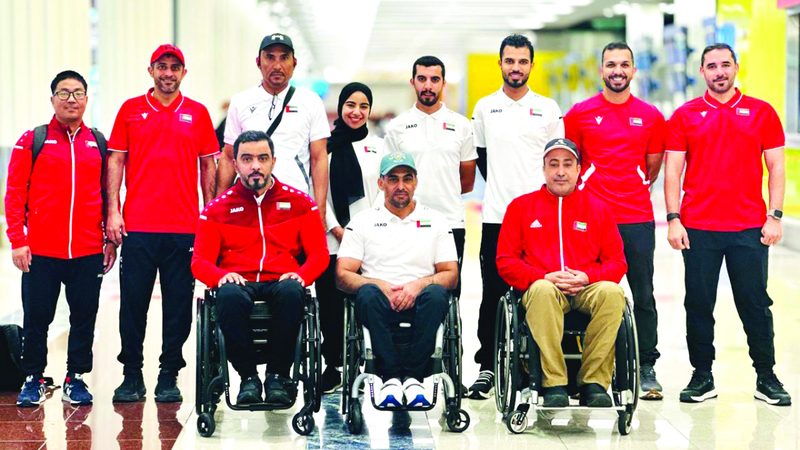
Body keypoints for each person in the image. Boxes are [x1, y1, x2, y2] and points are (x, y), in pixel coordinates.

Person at [665, 43, 791, 406]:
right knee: (698, 304)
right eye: (711, 66)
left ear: (736, 67)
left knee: (755, 303)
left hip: (748, 228)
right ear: (702, 72)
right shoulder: (685, 115)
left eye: (725, 64)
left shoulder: (762, 112)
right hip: (699, 227)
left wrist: (775, 215)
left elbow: (776, 168)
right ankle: (702, 376)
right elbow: (673, 171)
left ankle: (766, 376)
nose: (719, 71)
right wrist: (674, 219)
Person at [106, 44, 219, 403]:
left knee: (178, 307)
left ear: (183, 73)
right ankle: (131, 374)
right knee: (132, 305)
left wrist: (209, 215)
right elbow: (115, 161)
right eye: (162, 66)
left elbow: (208, 166)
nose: (168, 73)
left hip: (183, 228)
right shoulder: (130, 110)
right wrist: (113, 211)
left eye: (175, 67)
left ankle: (168, 374)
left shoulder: (198, 113)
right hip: (138, 227)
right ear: (151, 70)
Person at [192, 130, 329, 406]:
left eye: (262, 158)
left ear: (273, 161)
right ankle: (248, 378)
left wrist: (301, 275)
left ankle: (278, 376)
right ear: (235, 164)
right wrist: (220, 276)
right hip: (238, 281)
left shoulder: (301, 203)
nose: (255, 166)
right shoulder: (216, 209)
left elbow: (320, 254)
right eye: (247, 159)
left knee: (292, 291)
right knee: (227, 295)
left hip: (282, 279)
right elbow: (199, 262)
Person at [6, 70, 117, 407]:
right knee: (37, 318)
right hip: (41, 251)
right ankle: (32, 378)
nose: (72, 99)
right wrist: (17, 240)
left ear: (87, 99)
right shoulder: (34, 140)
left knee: (84, 317)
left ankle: (76, 378)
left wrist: (109, 240)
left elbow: (108, 195)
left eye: (78, 92)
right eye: (64, 93)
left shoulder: (98, 143)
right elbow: (15, 192)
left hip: (87, 249)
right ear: (53, 99)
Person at [563, 41, 666, 400]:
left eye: (624, 64)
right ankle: (580, 365)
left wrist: (631, 184)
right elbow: (570, 164)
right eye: (611, 64)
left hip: (636, 217)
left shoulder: (651, 116)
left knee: (644, 295)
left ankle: (646, 366)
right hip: (591, 218)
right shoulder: (580, 113)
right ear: (601, 70)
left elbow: (652, 167)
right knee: (585, 291)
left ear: (633, 70)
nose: (617, 71)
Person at [496, 138, 627, 407]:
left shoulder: (598, 209)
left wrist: (587, 277)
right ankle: (553, 381)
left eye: (567, 164)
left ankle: (593, 382)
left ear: (578, 169)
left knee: (613, 293)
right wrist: (542, 277)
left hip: (585, 288)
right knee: (543, 290)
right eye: (553, 164)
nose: (560, 171)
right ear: (544, 169)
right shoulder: (521, 208)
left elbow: (617, 262)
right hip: (543, 288)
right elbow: (505, 261)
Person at [469, 34, 564, 399]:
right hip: (497, 217)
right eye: (510, 61)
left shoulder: (548, 108)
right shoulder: (484, 108)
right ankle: (487, 367)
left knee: (542, 290)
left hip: (541, 217)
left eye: (523, 61)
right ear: (500, 63)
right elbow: (482, 159)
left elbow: (557, 162)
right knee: (492, 292)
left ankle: (537, 363)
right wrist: (504, 190)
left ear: (531, 65)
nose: (516, 67)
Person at [336, 151, 458, 408]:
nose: (400, 186)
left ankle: (413, 378)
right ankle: (390, 377)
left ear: (416, 182)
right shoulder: (363, 222)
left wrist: (418, 285)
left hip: (423, 302)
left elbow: (450, 274)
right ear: (381, 183)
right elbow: (342, 275)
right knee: (367, 292)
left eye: (407, 178)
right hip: (378, 304)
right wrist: (379, 284)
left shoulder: (436, 221)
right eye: (393, 179)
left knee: (438, 294)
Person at [382, 56, 476, 300]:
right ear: (412, 82)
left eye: (434, 80)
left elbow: (467, 181)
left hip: (450, 221)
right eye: (422, 79)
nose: (428, 85)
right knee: (407, 290)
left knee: (449, 293)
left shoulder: (461, 125)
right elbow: (389, 179)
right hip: (406, 221)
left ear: (443, 83)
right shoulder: (397, 126)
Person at [217, 33, 330, 225]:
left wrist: (320, 213)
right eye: (270, 57)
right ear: (258, 62)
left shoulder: (311, 102)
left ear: (294, 63)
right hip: (249, 206)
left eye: (284, 58)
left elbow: (319, 159)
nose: (277, 65)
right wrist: (218, 209)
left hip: (295, 206)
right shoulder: (240, 102)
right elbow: (228, 157)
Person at [317, 82, 383, 394]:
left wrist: (363, 232)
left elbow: (385, 192)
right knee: (330, 305)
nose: (357, 112)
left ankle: (372, 360)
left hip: (371, 239)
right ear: (341, 107)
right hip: (333, 239)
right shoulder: (324, 148)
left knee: (369, 300)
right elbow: (318, 193)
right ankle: (333, 365)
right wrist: (336, 228)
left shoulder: (380, 146)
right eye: (350, 105)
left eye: (363, 106)